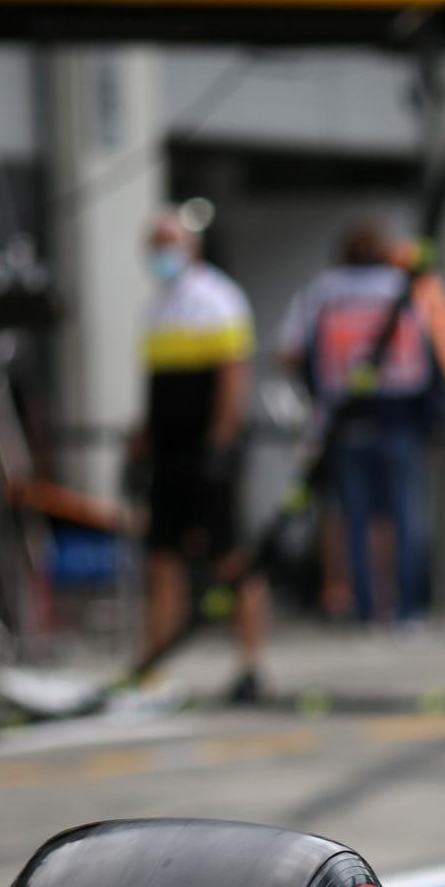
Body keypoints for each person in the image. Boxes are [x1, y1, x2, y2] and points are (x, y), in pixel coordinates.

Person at [276, 221, 445, 627]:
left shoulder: (322, 292)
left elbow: (287, 351)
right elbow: (442, 354)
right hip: (401, 420)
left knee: (354, 520)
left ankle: (366, 610)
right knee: (406, 519)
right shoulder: (407, 289)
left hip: (345, 422)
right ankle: (409, 612)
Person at [137, 208, 265, 701]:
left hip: (208, 451)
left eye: (167, 241)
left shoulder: (218, 298)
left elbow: (234, 374)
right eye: (153, 243)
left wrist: (221, 441)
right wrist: (142, 441)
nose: (160, 253)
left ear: (191, 246)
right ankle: (155, 666)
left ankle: (250, 664)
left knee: (232, 556)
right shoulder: (154, 307)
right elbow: (155, 387)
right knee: (163, 557)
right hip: (168, 452)